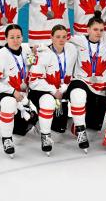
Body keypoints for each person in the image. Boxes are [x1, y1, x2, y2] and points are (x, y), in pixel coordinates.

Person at [0, 24, 38, 157]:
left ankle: (11, 123)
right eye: (12, 37)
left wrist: (36, 57)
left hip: (21, 96)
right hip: (1, 95)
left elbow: (31, 69)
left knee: (21, 132)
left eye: (18, 37)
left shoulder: (26, 51)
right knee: (9, 103)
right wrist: (12, 92)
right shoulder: (0, 56)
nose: (16, 40)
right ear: (6, 38)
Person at [27, 25, 78, 154]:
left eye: (64, 37)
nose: (61, 40)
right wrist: (53, 91)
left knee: (60, 132)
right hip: (42, 91)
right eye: (58, 37)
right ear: (51, 37)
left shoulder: (71, 49)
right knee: (57, 136)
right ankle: (36, 119)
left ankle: (67, 121)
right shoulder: (43, 52)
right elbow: (33, 79)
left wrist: (63, 89)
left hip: (61, 91)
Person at [68, 16, 106, 152]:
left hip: (100, 89)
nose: (98, 32)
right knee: (78, 94)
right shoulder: (78, 40)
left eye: (101, 30)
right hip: (81, 82)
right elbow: (58, 40)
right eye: (95, 29)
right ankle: (80, 128)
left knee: (94, 132)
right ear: (87, 29)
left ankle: (75, 122)